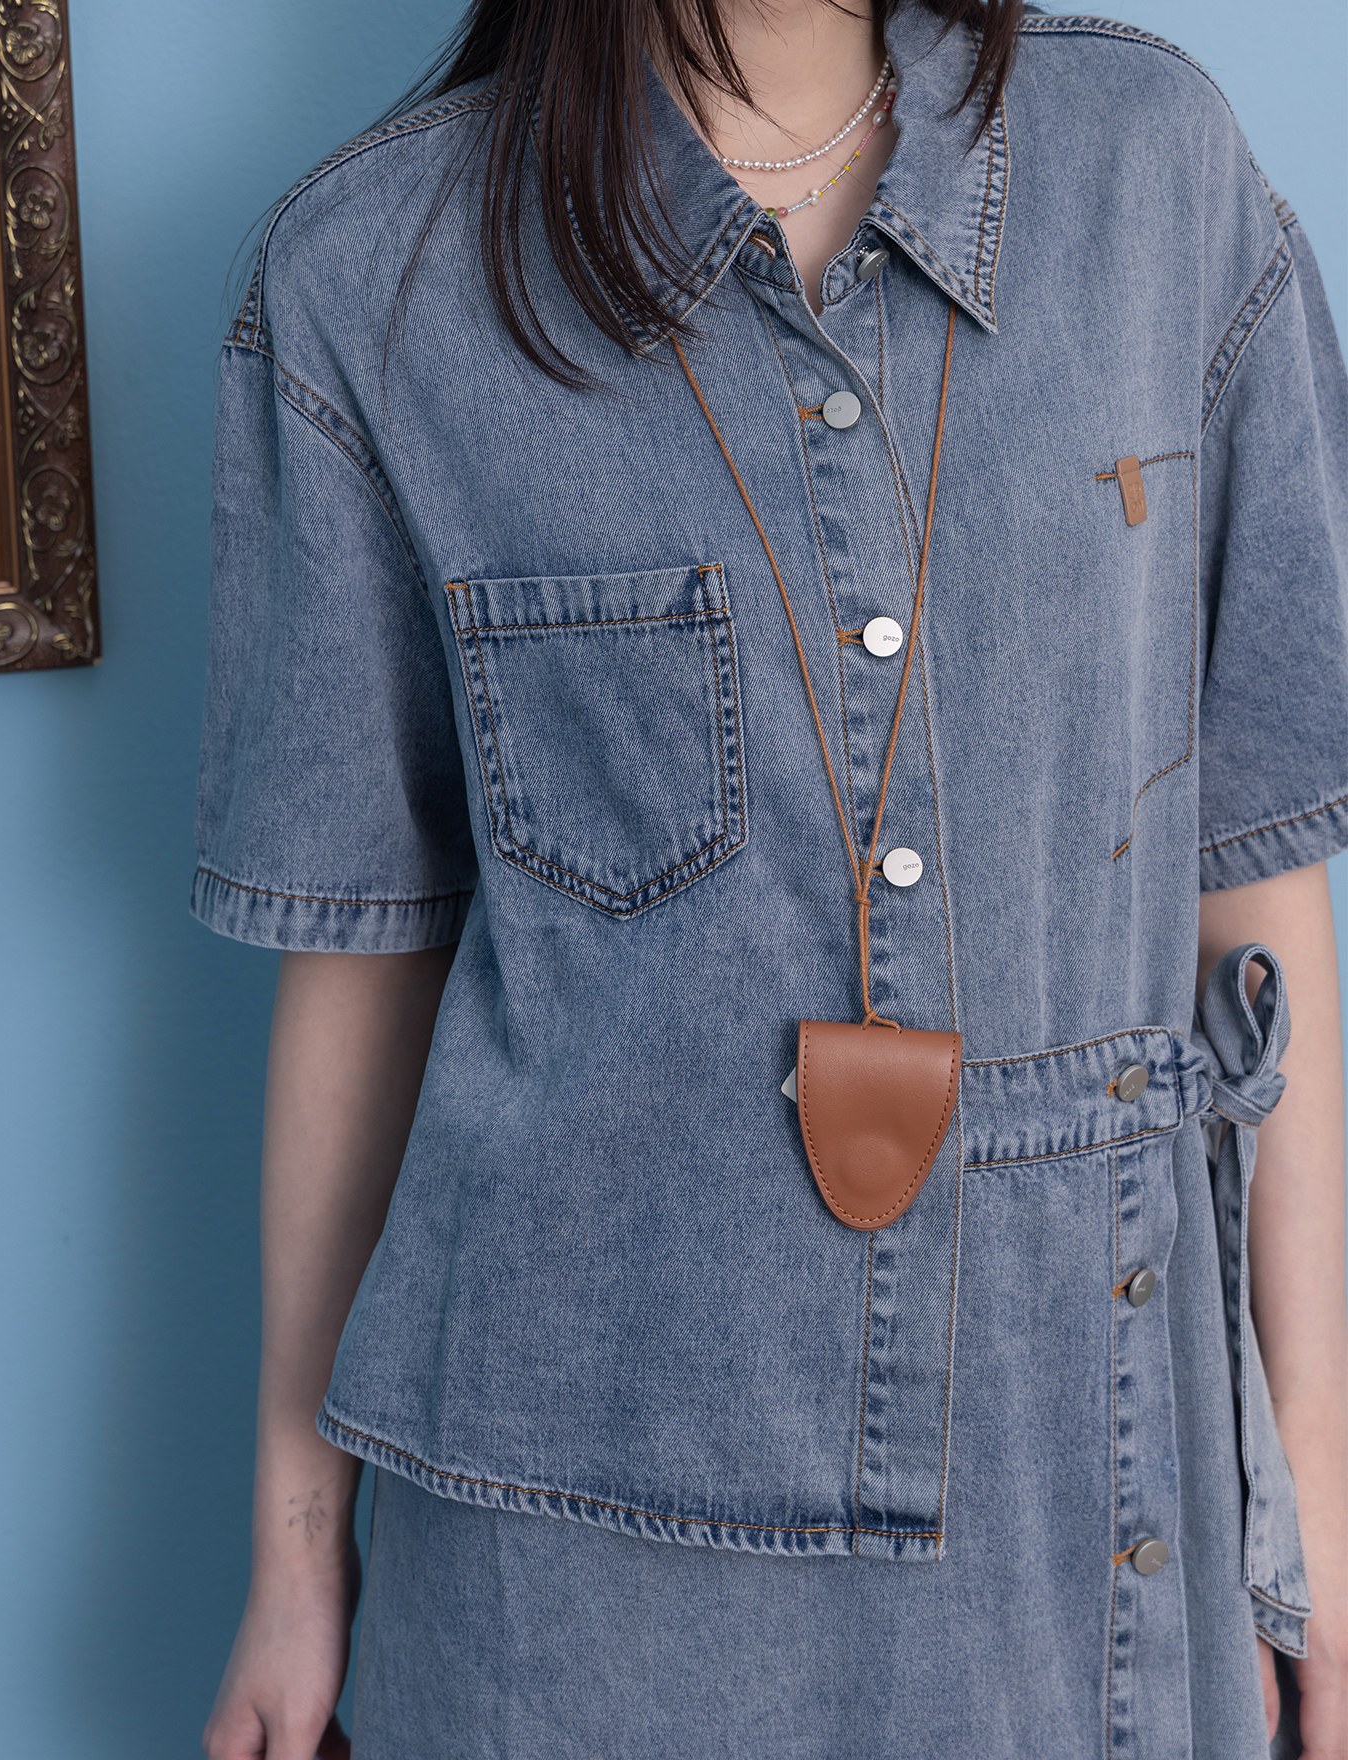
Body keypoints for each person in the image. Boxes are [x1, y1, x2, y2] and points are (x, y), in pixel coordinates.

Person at [192, 0, 1348, 1754]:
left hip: (1076, 1498)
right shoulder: (374, 276)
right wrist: (295, 1560)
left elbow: (1255, 896)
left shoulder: (1151, 173)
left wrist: (1308, 1521)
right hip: (556, 1569)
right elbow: (364, 970)